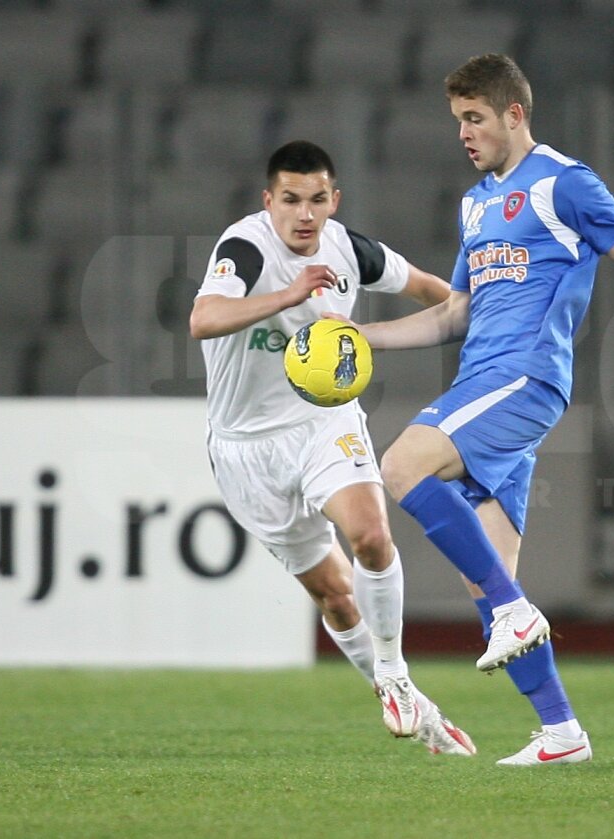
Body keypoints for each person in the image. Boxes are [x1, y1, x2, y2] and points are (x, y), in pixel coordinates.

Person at [352, 54, 614, 766]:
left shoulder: (563, 181)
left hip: (524, 379)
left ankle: (516, 613)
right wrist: (364, 336)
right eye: (458, 120)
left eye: (475, 118)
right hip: (486, 383)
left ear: (514, 114)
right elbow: (453, 313)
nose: (464, 133)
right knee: (487, 579)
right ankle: (562, 732)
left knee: (400, 465)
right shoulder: (475, 204)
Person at [189, 140, 475, 757]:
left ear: (334, 200)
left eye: (317, 200)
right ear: (268, 201)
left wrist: (493, 317)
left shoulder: (349, 249)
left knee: (371, 536)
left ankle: (393, 673)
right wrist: (288, 295)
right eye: (291, 200)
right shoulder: (244, 247)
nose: (305, 214)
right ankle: (413, 705)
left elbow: (437, 293)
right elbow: (203, 319)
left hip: (324, 422)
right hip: (246, 447)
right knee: (336, 597)